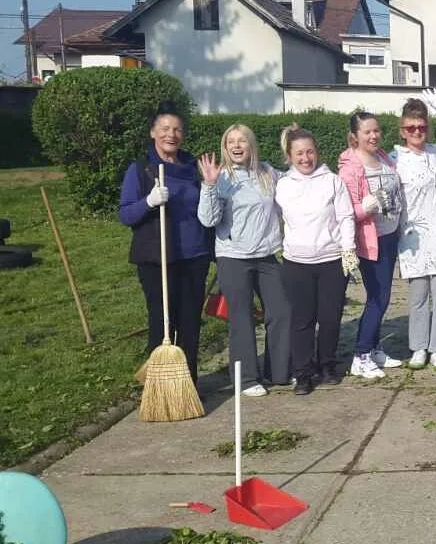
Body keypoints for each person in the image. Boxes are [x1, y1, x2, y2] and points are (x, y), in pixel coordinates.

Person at [118, 105, 213, 389]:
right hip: (157, 259)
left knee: (190, 324)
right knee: (162, 324)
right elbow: (125, 215)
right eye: (165, 129)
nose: (171, 134)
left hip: (194, 256)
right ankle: (159, 387)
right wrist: (148, 202)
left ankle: (187, 387)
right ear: (153, 133)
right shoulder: (141, 170)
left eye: (177, 129)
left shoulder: (194, 168)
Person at [197, 124, 291, 396]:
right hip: (233, 257)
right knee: (241, 318)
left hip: (267, 255)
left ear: (251, 145)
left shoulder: (267, 172)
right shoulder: (222, 177)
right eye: (230, 143)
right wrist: (210, 186)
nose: (237, 147)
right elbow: (208, 219)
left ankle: (280, 371)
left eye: (242, 141)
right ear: (225, 148)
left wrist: (291, 143)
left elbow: (298, 178)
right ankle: (247, 379)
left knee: (282, 311)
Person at [275, 125, 359, 394]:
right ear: (289, 155)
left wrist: (348, 249)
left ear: (317, 152)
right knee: (302, 320)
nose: (305, 158)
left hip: (331, 260)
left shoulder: (332, 181)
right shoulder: (282, 185)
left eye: (310, 152)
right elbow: (273, 218)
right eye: (299, 153)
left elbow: (346, 216)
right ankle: (302, 372)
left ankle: (327, 364)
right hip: (296, 263)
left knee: (330, 317)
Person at [392, 90, 436, 372]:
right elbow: (369, 166)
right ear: (402, 131)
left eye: (422, 127)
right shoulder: (394, 159)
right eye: (411, 128)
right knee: (419, 297)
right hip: (412, 237)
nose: (417, 132)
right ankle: (419, 347)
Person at [339, 111, 405, 377]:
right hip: (369, 240)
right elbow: (345, 211)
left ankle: (375, 347)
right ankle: (361, 354)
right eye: (367, 132)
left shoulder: (383, 158)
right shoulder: (351, 167)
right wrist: (366, 206)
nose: (374, 135)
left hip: (390, 236)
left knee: (383, 295)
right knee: (378, 297)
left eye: (376, 130)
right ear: (355, 136)